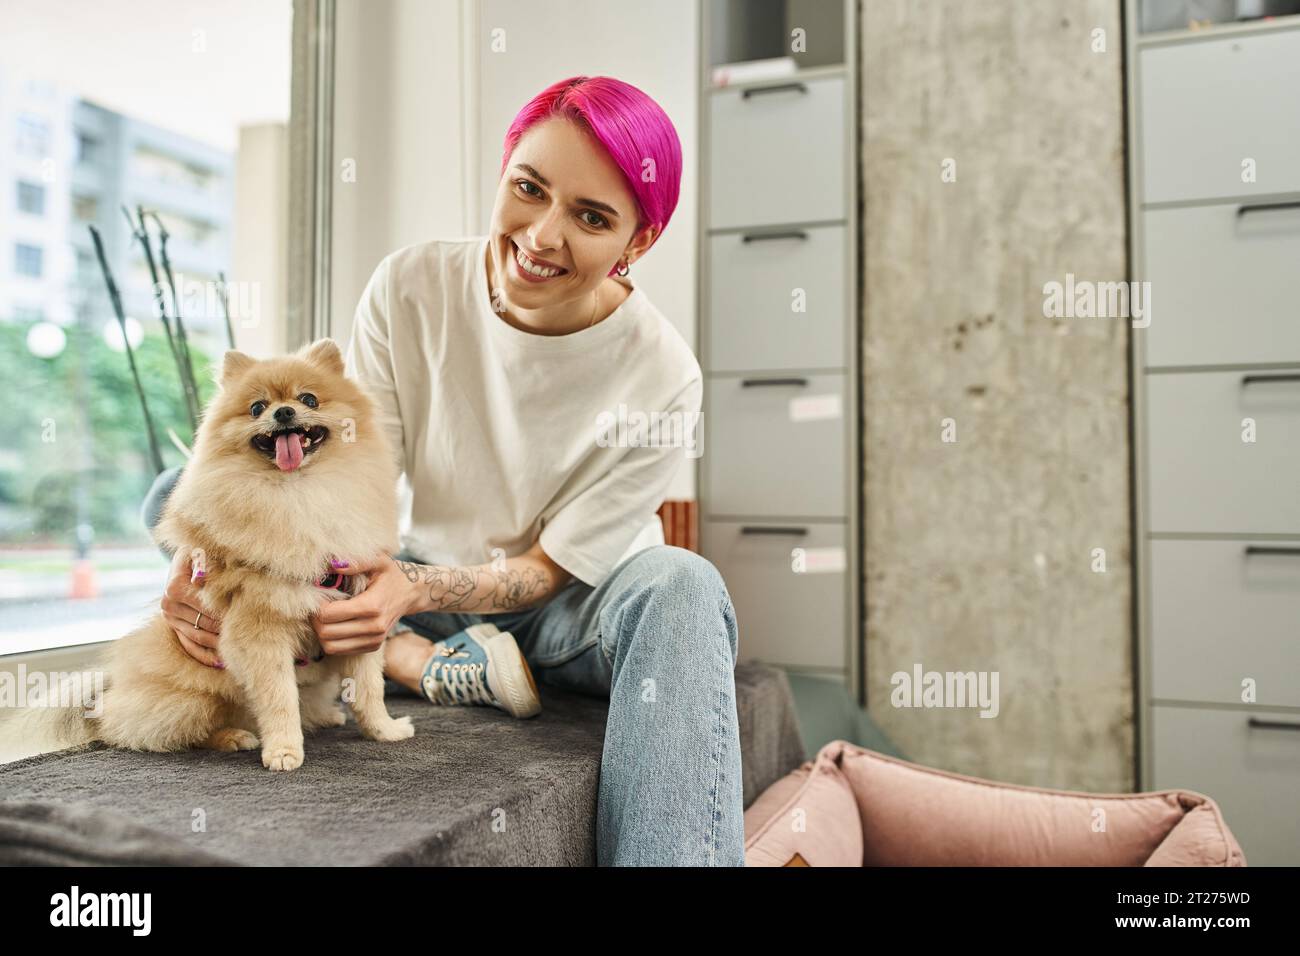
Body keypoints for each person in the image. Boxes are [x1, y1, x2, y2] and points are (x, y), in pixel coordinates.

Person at [143, 75, 743, 866]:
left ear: (637, 242)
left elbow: (545, 570)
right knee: (176, 494)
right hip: (410, 578)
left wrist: (411, 594)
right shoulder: (410, 286)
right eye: (529, 189)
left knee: (683, 582)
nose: (543, 236)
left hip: (568, 605)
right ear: (503, 177)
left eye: (592, 217)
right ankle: (419, 661)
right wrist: (210, 568)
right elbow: (348, 476)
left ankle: (411, 658)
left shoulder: (665, 375)